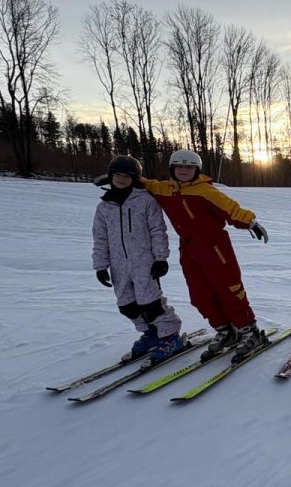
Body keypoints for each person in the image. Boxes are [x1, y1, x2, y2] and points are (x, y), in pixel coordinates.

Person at [133, 149, 270, 360]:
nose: (184, 170)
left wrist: (250, 222)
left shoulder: (205, 191)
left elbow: (230, 209)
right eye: (179, 166)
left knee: (229, 290)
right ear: (172, 169)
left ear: (196, 170)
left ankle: (249, 331)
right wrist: (126, 176)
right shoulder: (165, 189)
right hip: (188, 251)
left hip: (215, 248)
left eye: (189, 167)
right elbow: (147, 184)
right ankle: (225, 331)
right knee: (199, 295)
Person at [91, 155, 186, 361]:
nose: (122, 179)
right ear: (111, 176)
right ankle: (152, 333)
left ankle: (170, 335)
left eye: (127, 176)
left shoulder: (145, 200)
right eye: (118, 175)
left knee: (150, 303)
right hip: (118, 266)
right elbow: (100, 238)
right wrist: (100, 266)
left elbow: (157, 230)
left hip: (145, 263)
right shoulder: (104, 207)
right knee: (126, 304)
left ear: (134, 178)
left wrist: (160, 258)